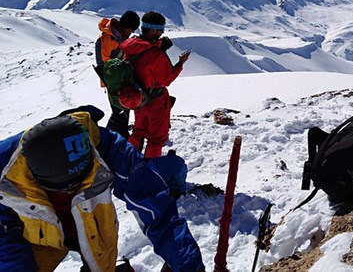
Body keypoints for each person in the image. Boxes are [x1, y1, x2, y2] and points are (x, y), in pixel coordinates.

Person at [0, 105, 205, 272]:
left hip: (93, 219)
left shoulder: (110, 149)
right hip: (32, 231)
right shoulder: (5, 171)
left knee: (100, 259)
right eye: (63, 190)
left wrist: (189, 266)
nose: (72, 195)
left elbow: (156, 210)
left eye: (80, 185)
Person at [119, 11, 190, 158]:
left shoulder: (132, 46)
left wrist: (159, 47)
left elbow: (143, 59)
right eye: (160, 30)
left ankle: (127, 161)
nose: (161, 33)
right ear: (153, 30)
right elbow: (167, 79)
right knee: (156, 139)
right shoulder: (156, 55)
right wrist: (180, 64)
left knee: (138, 132)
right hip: (155, 102)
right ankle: (150, 171)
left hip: (139, 99)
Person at [95, 11, 141, 138]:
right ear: (128, 27)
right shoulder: (114, 39)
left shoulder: (109, 35)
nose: (131, 33)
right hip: (115, 80)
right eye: (131, 30)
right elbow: (111, 63)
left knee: (121, 109)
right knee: (119, 110)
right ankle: (107, 138)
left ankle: (119, 134)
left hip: (111, 79)